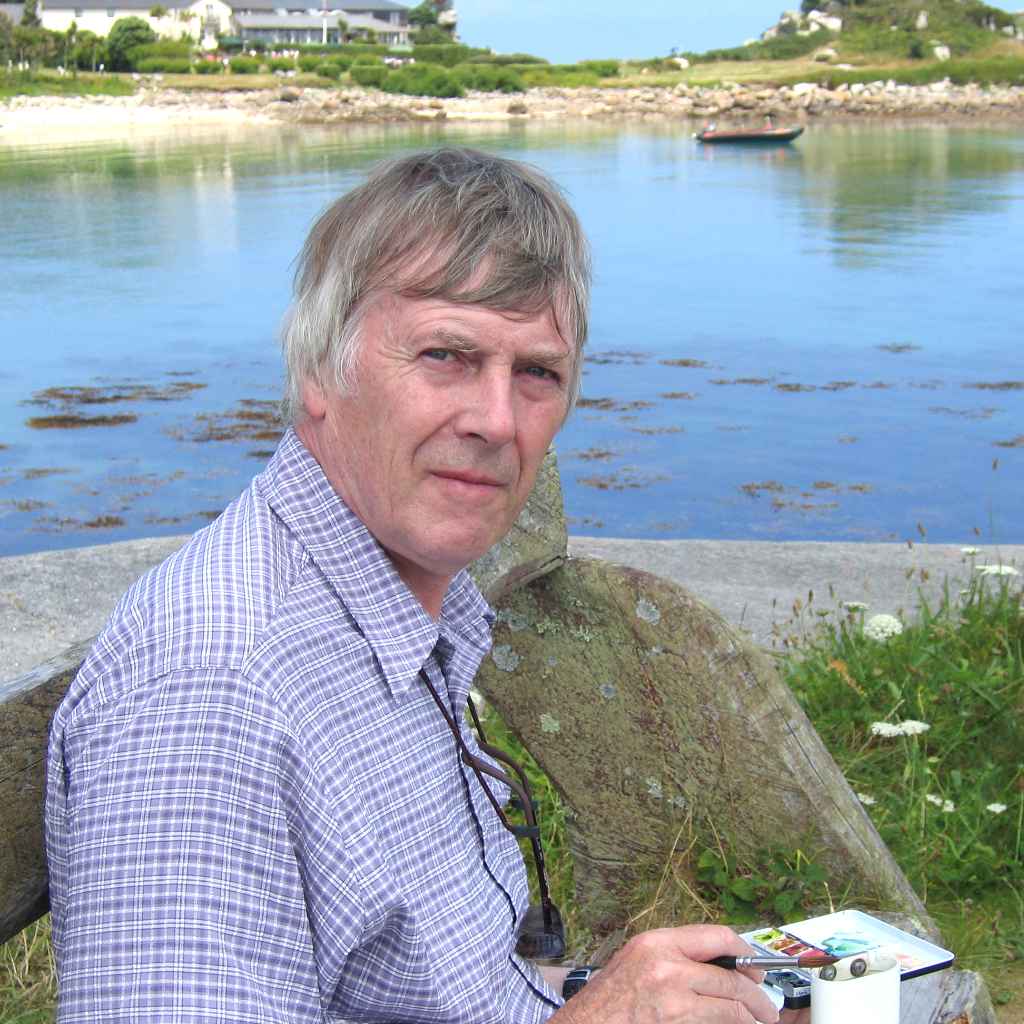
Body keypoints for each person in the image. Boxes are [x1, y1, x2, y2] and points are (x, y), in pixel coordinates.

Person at [45, 147, 779, 1024]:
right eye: (446, 355)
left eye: (537, 373)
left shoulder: (403, 608)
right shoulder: (212, 697)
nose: (497, 421)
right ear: (320, 372)